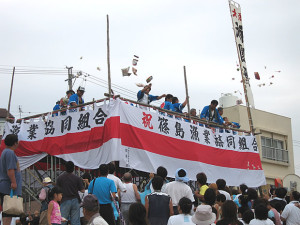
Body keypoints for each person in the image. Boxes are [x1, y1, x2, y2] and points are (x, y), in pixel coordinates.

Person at [0, 134, 22, 225]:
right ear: (15, 143)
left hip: (5, 186)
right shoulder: (9, 153)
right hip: (8, 187)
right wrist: (13, 182)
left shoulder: (5, 152)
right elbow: (10, 169)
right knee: (8, 214)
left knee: (7, 214)